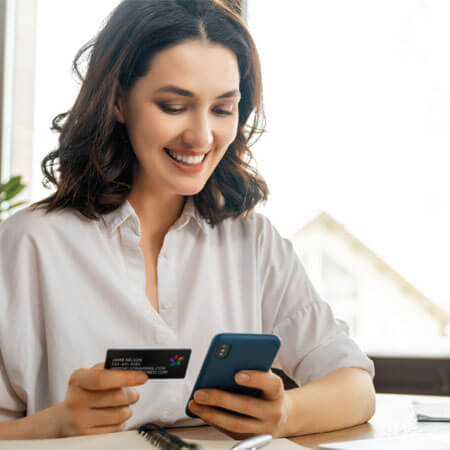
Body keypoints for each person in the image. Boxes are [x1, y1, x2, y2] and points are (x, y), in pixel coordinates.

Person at [0, 0, 375, 440]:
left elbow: (356, 386)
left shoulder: (251, 241)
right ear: (119, 101)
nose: (201, 136)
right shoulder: (30, 245)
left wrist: (285, 413)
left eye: (222, 109)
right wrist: (56, 424)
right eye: (174, 106)